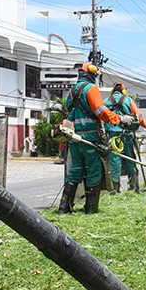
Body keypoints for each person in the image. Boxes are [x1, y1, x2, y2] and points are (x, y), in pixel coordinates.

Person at [58, 62, 121, 213]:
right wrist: (119, 119)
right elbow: (101, 112)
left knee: (76, 170)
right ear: (91, 74)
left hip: (74, 139)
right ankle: (91, 209)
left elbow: (70, 112)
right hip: (89, 139)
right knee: (94, 172)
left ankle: (64, 208)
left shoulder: (73, 92)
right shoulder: (91, 89)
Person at [108, 82, 146, 192]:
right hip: (126, 135)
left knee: (114, 161)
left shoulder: (106, 101)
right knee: (130, 159)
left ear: (112, 92)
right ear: (123, 92)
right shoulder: (128, 100)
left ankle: (115, 190)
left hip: (112, 136)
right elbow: (139, 116)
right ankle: (134, 188)